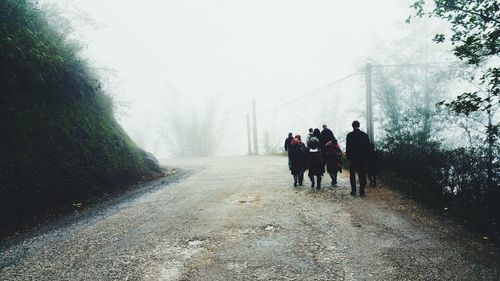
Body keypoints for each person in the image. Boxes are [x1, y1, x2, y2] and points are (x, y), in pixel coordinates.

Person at [346, 120, 370, 196]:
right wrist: (366, 158)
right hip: (362, 158)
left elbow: (348, 148)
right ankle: (362, 191)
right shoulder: (364, 135)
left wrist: (348, 157)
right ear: (359, 125)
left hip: (353, 159)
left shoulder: (349, 135)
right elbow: (368, 148)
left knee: (352, 175)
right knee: (362, 175)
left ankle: (353, 191)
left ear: (352, 126)